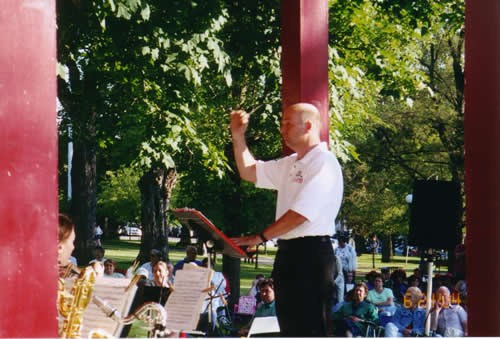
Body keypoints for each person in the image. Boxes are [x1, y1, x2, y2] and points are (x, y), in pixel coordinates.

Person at [229, 103, 343, 337]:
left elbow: (301, 214)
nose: (282, 129)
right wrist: (238, 135)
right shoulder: (290, 164)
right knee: (290, 330)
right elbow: (248, 171)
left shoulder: (324, 162)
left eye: (287, 123)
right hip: (288, 252)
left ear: (309, 125)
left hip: (312, 255)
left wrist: (259, 237)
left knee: (310, 331)